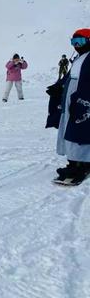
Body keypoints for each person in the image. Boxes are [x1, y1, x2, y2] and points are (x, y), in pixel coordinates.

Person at [53, 28, 90, 183]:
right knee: (69, 128)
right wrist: (59, 86)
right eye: (73, 42)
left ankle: (83, 164)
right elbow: (70, 75)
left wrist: (82, 100)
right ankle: (73, 161)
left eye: (80, 42)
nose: (76, 45)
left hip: (82, 97)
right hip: (71, 96)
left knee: (80, 129)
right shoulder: (79, 57)